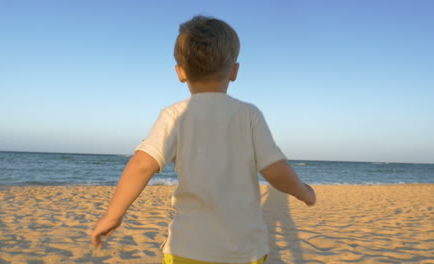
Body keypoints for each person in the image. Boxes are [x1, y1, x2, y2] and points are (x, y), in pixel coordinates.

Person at [91, 15, 316, 264]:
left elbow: (142, 164)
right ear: (234, 71)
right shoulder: (249, 115)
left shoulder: (174, 115)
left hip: (187, 249)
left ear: (180, 72)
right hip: (244, 252)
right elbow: (276, 170)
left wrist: (113, 215)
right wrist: (303, 192)